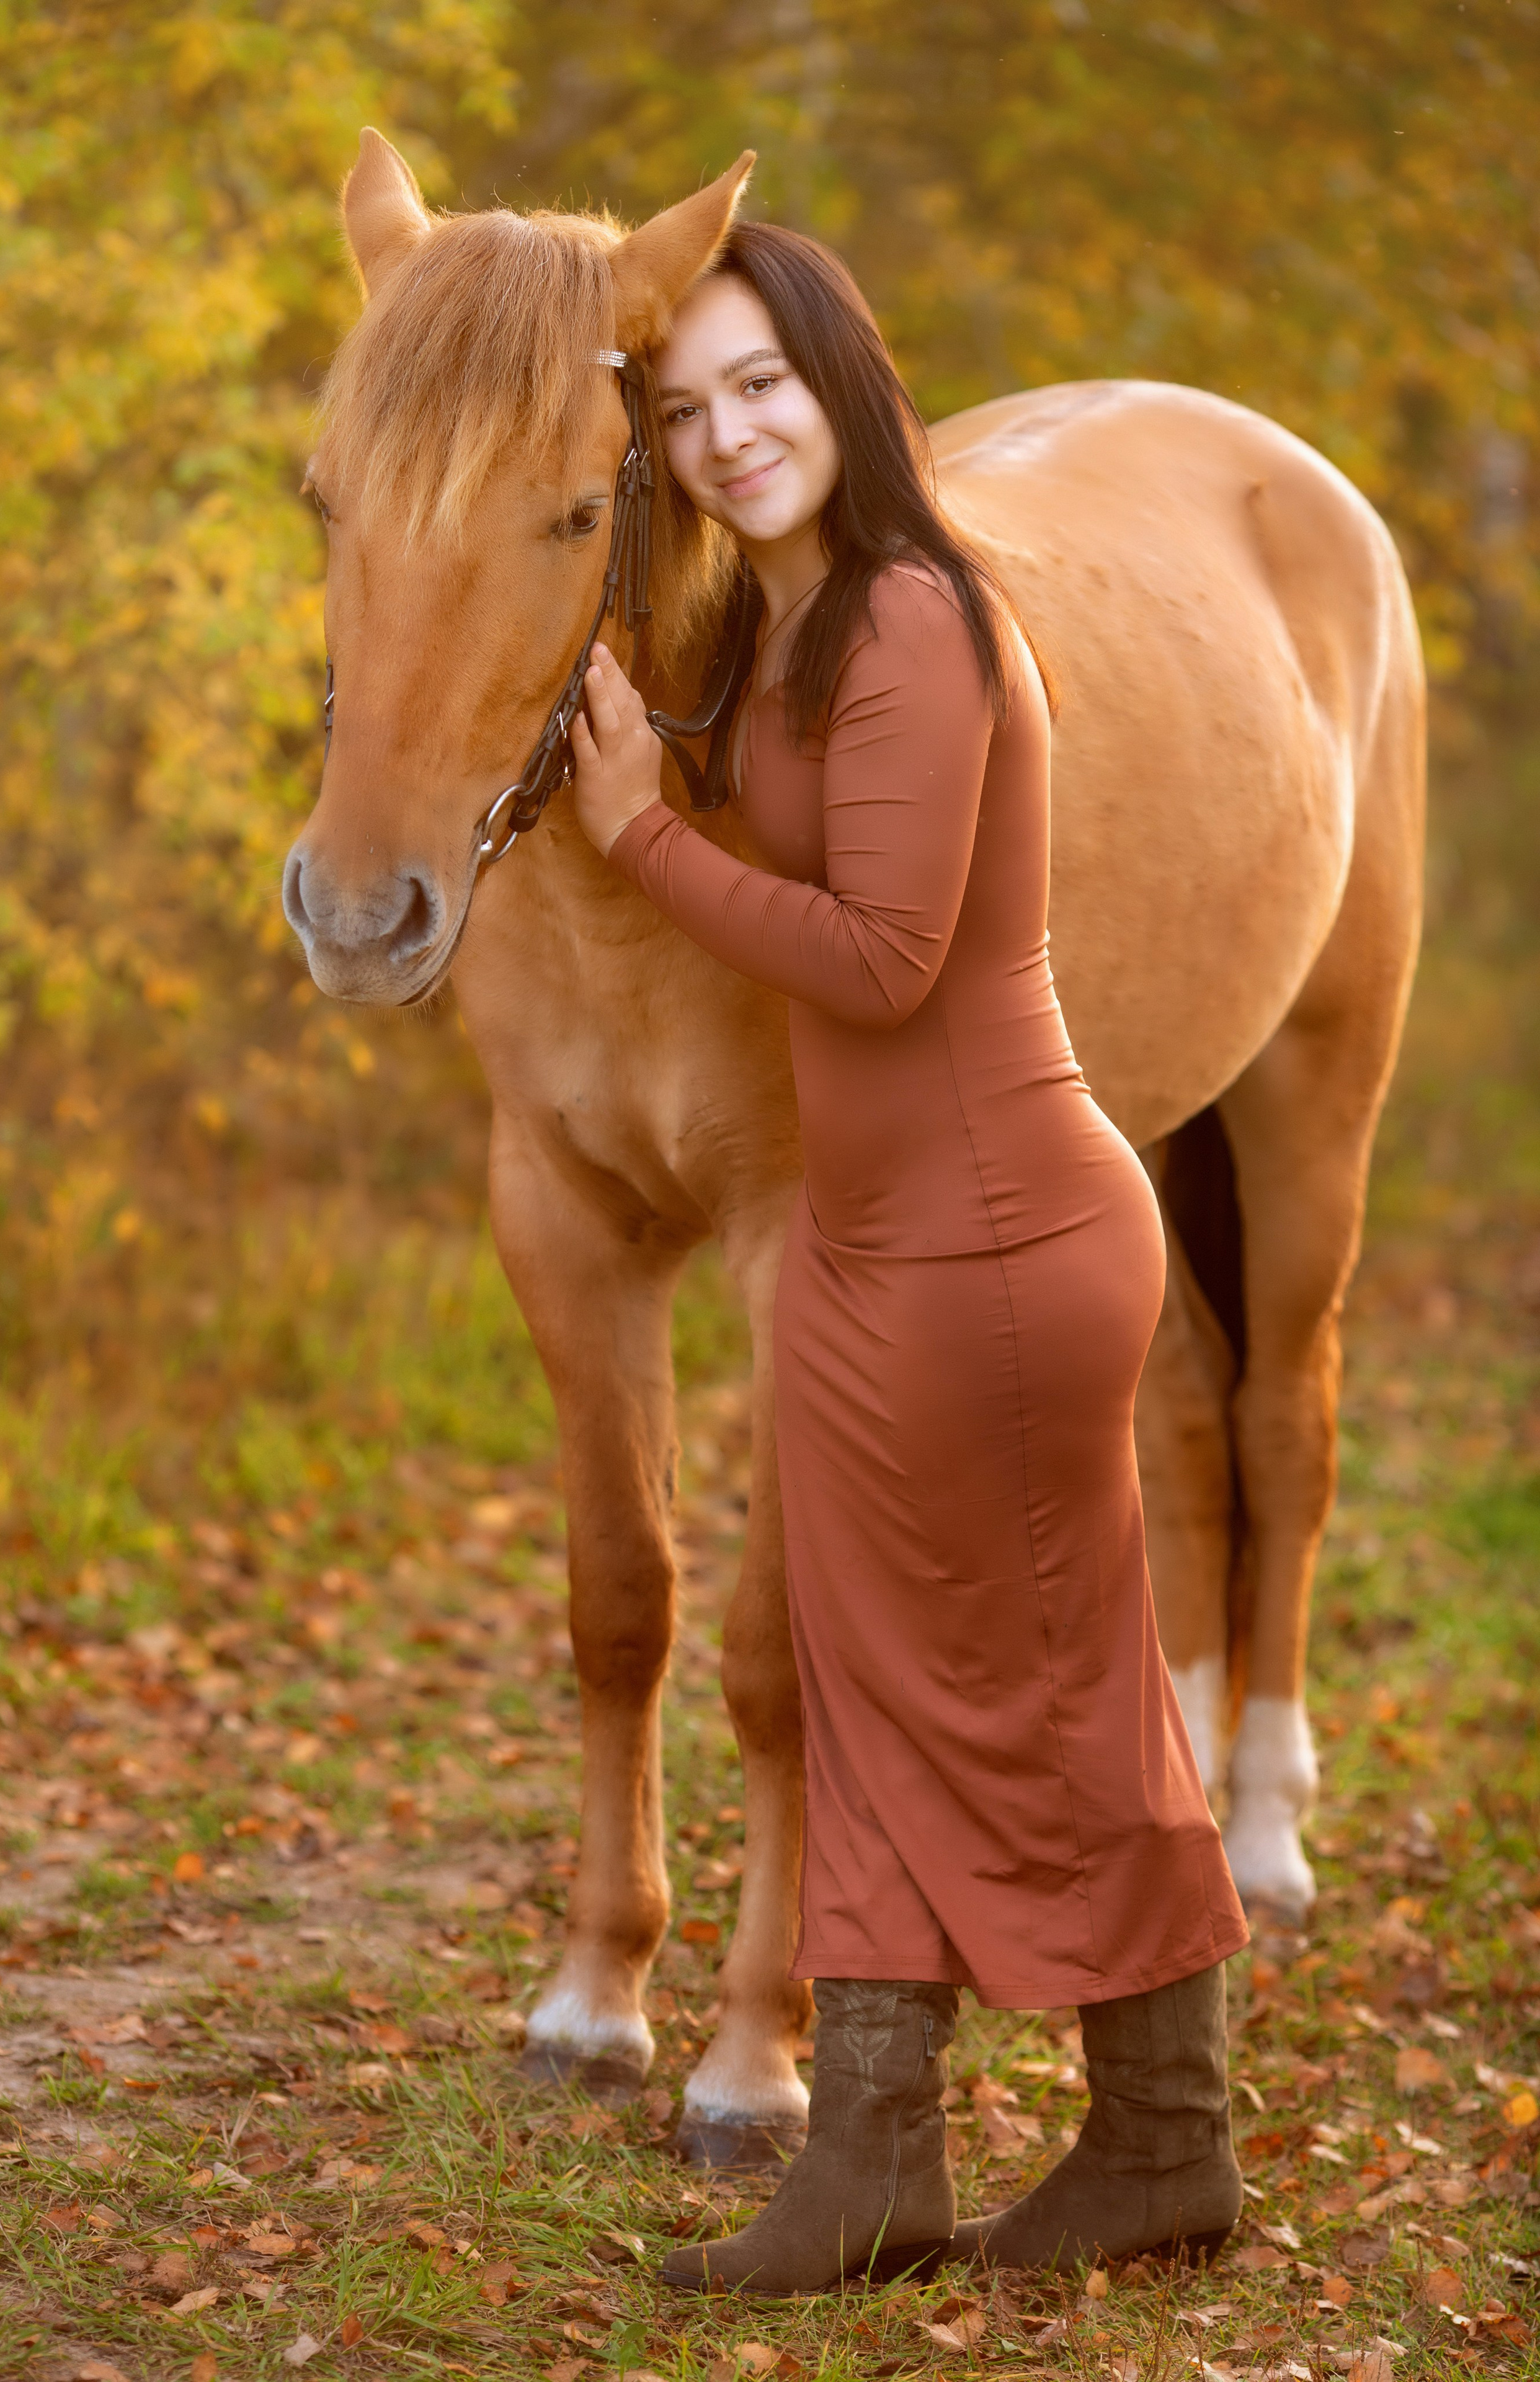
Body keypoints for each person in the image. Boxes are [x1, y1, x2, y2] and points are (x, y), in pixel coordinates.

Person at [568, 220, 1249, 2298]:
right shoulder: (789, 635)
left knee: (1044, 1698)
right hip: (887, 1239)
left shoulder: (915, 619)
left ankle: (1157, 2138)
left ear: (843, 378)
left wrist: (644, 838)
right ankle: (885, 2160)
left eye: (759, 383)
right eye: (681, 412)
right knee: (876, 1682)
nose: (725, 434)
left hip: (996, 1234)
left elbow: (881, 960)